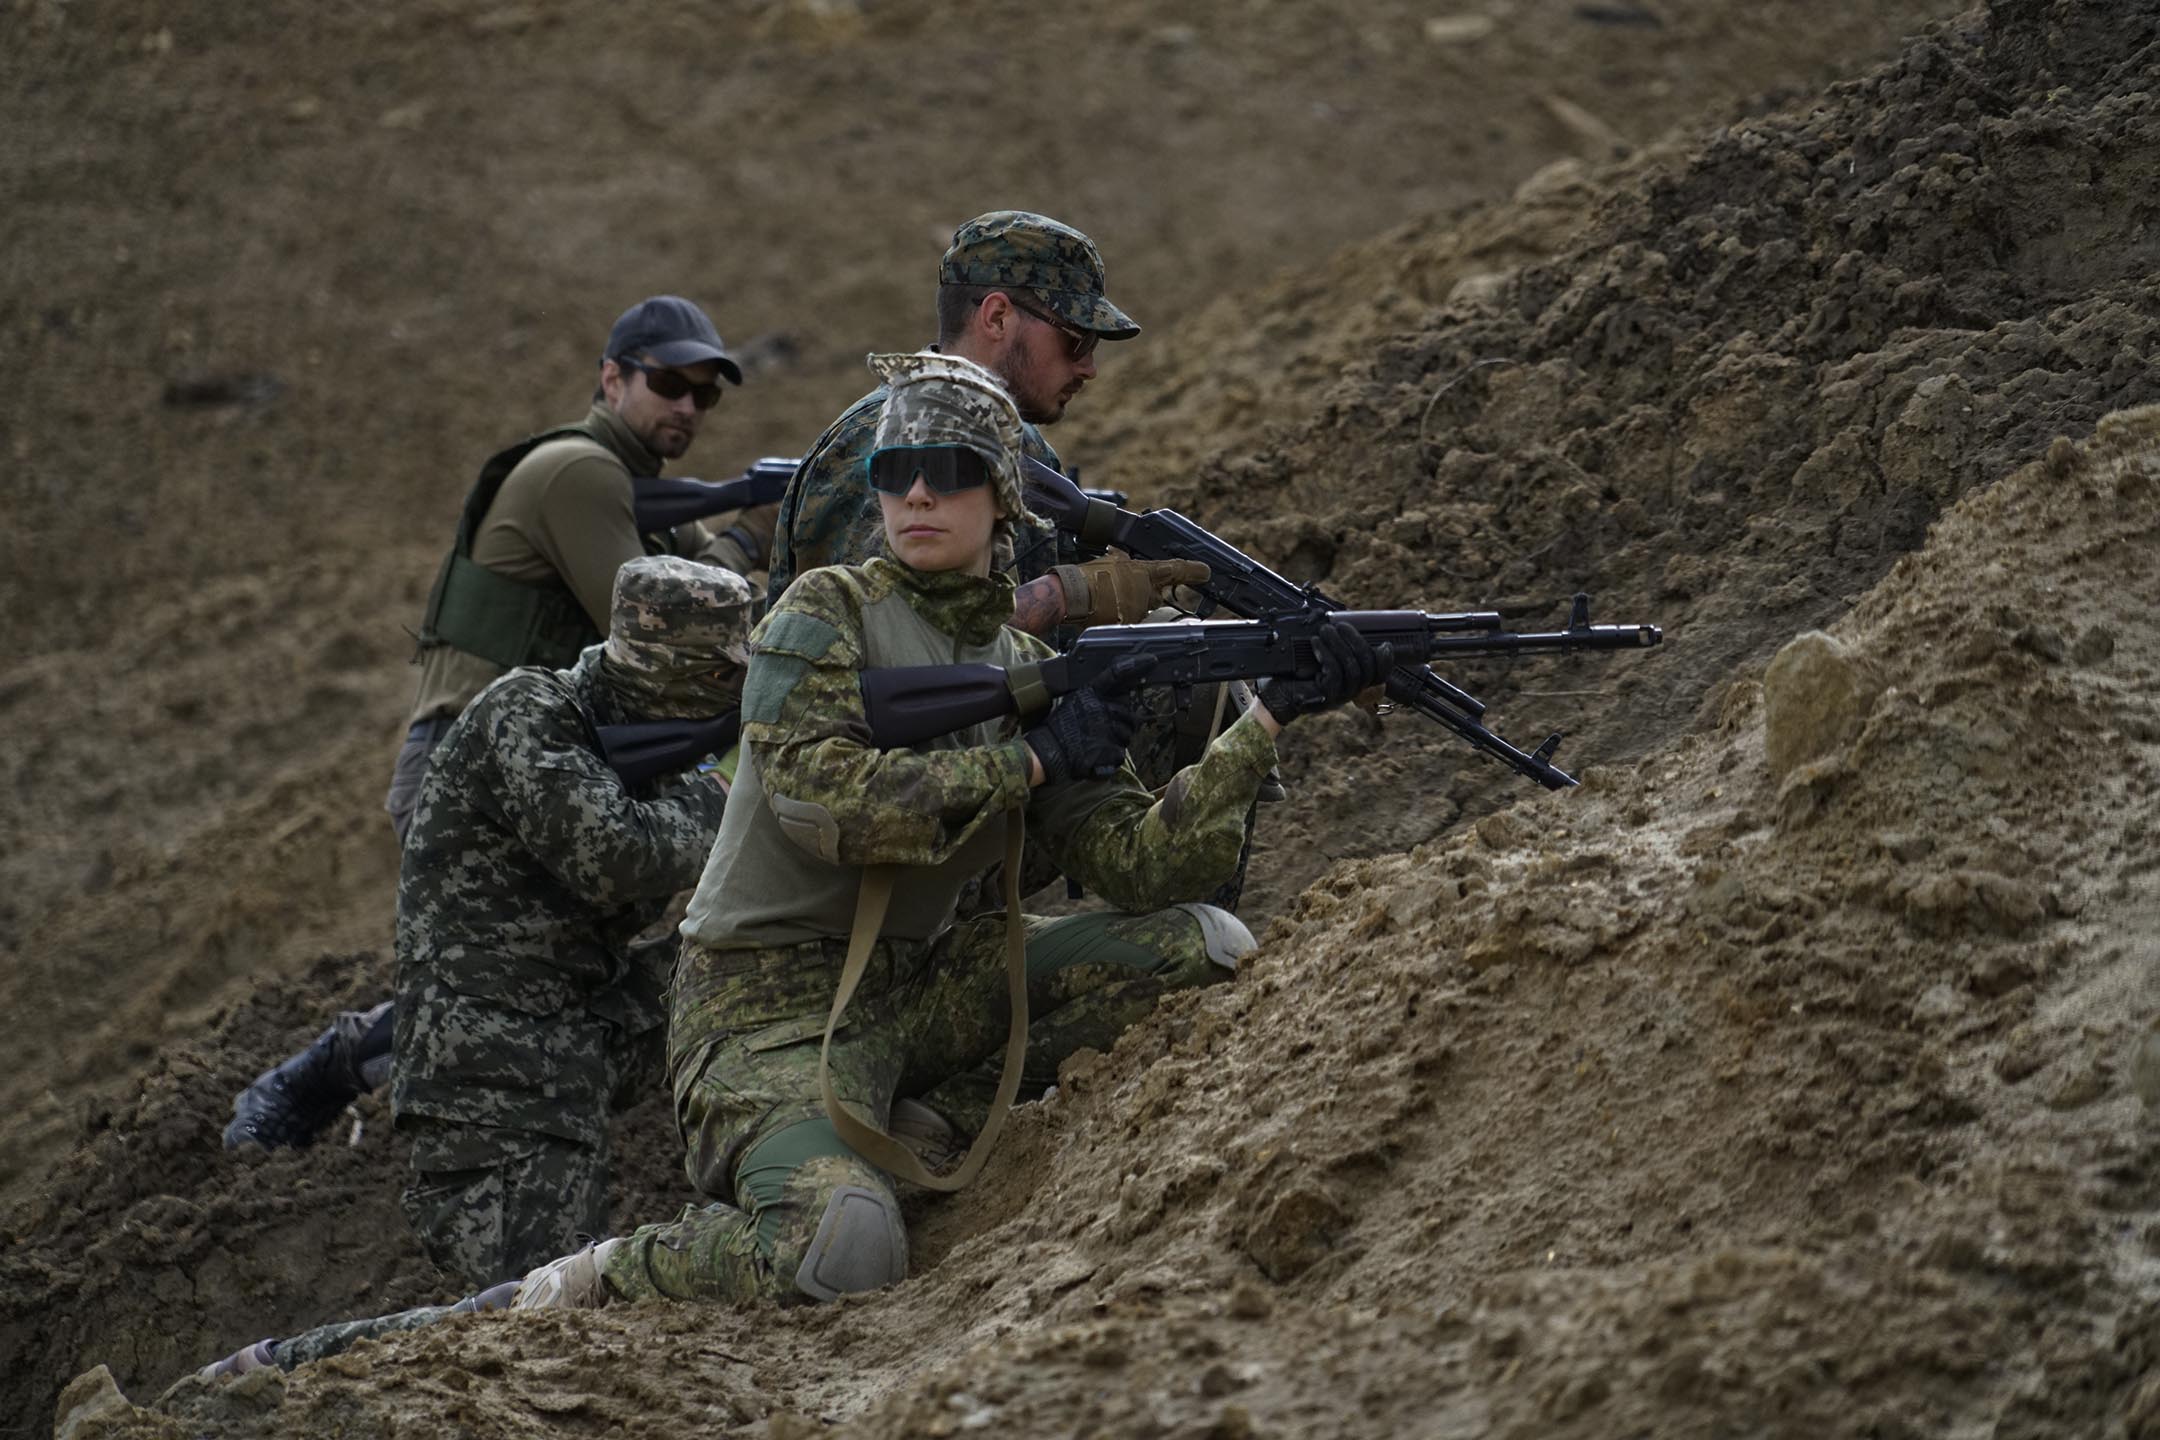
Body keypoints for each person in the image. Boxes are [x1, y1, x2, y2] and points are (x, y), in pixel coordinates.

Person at [193, 352, 1382, 1378]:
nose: (917, 493)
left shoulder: (1030, 660)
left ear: (1001, 497)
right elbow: (834, 812)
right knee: (841, 1252)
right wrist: (1025, 767)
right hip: (759, 1012)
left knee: (1205, 954)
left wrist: (1262, 724)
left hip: (914, 991)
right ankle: (601, 1274)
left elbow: (1137, 862)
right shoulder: (826, 612)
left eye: (951, 473)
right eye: (894, 473)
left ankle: (901, 1125)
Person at [223, 296, 771, 1151]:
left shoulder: (631, 488)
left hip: (535, 768)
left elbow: (723, 612)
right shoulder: (581, 473)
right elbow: (659, 625)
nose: (688, 408)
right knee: (509, 992)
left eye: (706, 395)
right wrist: (751, 534)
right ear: (611, 378)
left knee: (534, 988)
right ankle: (326, 1074)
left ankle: (343, 1073)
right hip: (475, 767)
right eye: (668, 382)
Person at [768, 209, 1276, 910]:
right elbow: (893, 640)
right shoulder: (896, 447)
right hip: (878, 809)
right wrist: (1068, 597)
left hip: (939, 771)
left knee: (1165, 656)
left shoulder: (975, 437)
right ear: (998, 317)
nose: (1090, 367)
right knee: (1190, 685)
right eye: (1075, 339)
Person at [396, 553, 752, 1287]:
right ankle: (263, 1371)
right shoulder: (526, 712)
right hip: (491, 1084)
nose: (734, 695)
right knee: (521, 1318)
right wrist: (730, 789)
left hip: (574, 1038)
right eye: (722, 679)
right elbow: (617, 854)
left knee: (756, 960)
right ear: (663, 674)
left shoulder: (642, 737)